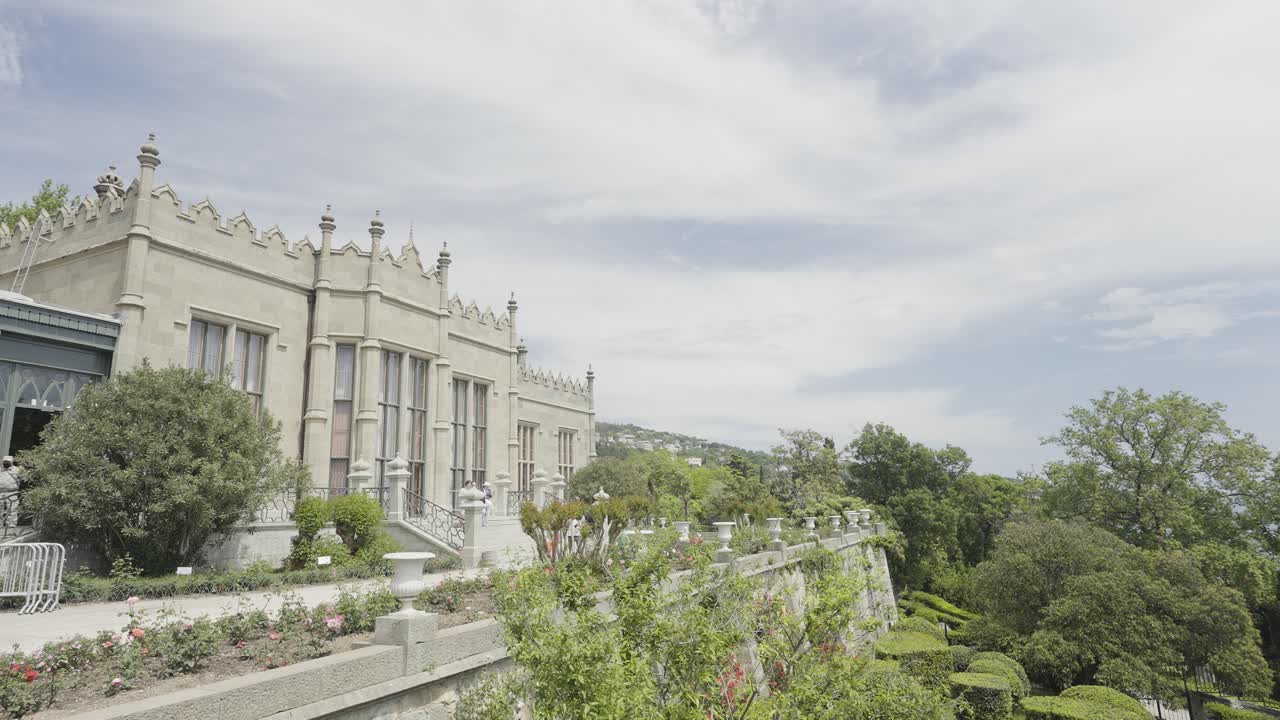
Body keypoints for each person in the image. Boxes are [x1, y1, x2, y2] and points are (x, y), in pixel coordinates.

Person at [0, 456, 20, 529]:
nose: (6, 463)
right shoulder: (0, 469)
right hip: (0, 492)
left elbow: (24, 478)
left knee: (12, 509)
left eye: (8, 462)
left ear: (11, 462)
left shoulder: (17, 470)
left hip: (12, 492)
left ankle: (11, 524)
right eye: (5, 461)